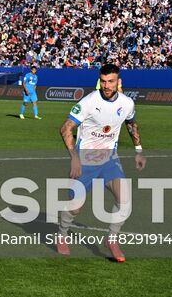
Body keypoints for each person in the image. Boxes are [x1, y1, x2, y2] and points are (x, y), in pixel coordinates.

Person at [56, 62, 144, 262]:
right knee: (75, 207)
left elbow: (131, 123)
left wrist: (138, 151)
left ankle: (112, 239)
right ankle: (61, 234)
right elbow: (65, 128)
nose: (107, 85)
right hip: (85, 159)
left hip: (109, 160)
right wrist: (74, 158)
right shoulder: (88, 102)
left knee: (125, 200)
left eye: (111, 81)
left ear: (118, 82)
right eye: (103, 81)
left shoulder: (127, 103)